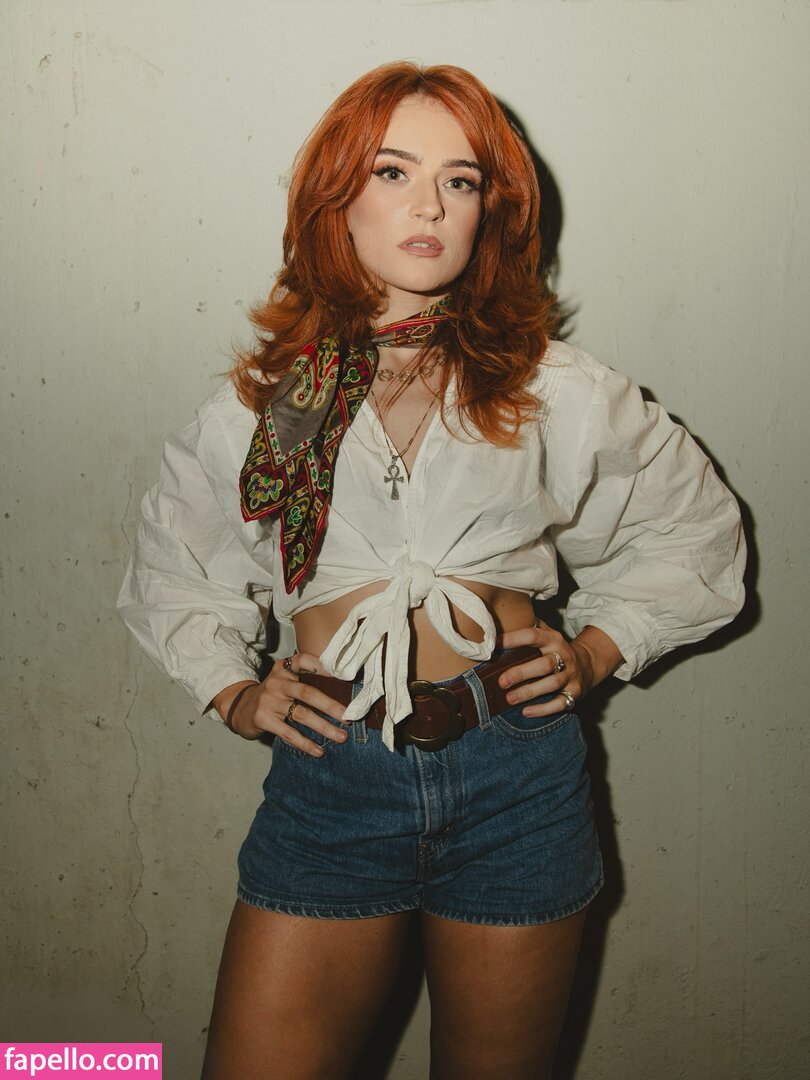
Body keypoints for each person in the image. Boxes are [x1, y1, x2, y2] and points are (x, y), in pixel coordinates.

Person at [117, 62, 745, 1080]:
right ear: (335, 198)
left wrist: (596, 651)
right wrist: (233, 690)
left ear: (492, 210)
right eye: (393, 171)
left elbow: (695, 532)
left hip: (516, 776)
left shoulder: (553, 389)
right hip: (333, 773)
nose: (430, 205)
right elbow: (176, 565)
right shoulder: (269, 405)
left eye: (461, 180)